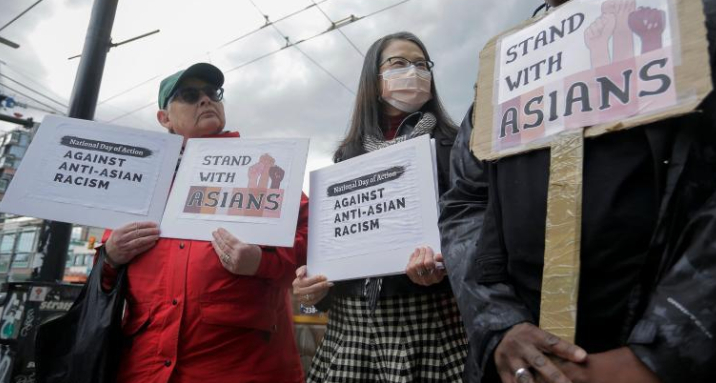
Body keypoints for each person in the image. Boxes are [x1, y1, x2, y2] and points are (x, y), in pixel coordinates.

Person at [439, 0, 716, 383]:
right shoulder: (501, 78)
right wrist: (500, 327)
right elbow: (464, 203)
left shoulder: (708, 26)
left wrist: (659, 351)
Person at [102, 62, 309, 383]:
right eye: (189, 95)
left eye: (213, 93)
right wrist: (110, 256)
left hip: (243, 367)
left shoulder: (265, 166)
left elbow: (317, 245)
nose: (206, 100)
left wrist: (261, 261)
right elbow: (103, 276)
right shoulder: (140, 180)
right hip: (145, 367)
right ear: (164, 118)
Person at [292, 32, 468, 382]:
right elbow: (344, 247)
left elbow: (475, 227)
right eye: (399, 63)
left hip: (428, 320)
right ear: (375, 81)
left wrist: (449, 264)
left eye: (421, 64)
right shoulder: (346, 156)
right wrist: (317, 288)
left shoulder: (454, 143)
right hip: (351, 328)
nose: (413, 71)